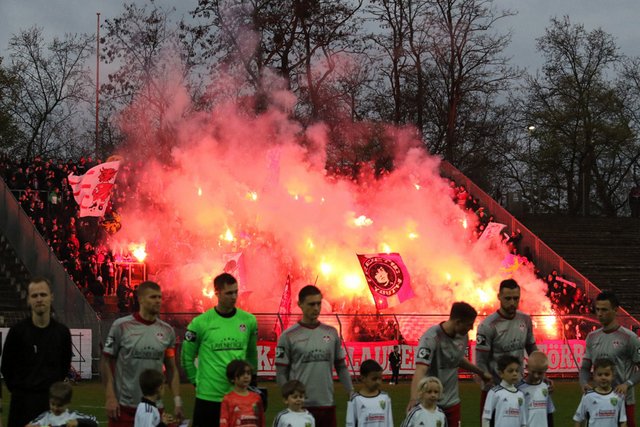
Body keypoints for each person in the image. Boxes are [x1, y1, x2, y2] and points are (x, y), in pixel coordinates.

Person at [181, 273, 258, 427]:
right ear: (217, 293)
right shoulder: (200, 323)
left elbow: (251, 354)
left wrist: (253, 381)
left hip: (237, 396)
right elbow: (186, 358)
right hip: (208, 398)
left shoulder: (249, 320)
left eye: (236, 292)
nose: (234, 296)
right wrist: (196, 382)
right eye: (229, 293)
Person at [102, 281, 182, 427]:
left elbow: (171, 368)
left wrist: (177, 400)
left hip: (154, 408)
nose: (158, 301)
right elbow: (106, 361)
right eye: (153, 297)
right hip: (123, 408)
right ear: (140, 299)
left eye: (159, 297)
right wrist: (110, 396)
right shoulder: (121, 326)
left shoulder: (167, 331)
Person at [275, 285, 353, 427]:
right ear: (300, 305)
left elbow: (341, 366)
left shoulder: (331, 333)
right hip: (300, 407)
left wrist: (351, 392)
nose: (316, 308)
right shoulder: (288, 336)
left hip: (327, 404)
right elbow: (281, 373)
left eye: (318, 303)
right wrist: (289, 399)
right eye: (311, 304)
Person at [1, 277, 72, 427]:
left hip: (50, 409)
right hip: (21, 408)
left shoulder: (62, 333)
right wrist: (21, 392)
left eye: (43, 294)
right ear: (28, 300)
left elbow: (64, 367)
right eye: (34, 296)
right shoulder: (17, 332)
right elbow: (6, 368)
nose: (39, 299)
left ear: (51, 297)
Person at [409, 301, 492, 427]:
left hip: (452, 403)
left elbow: (457, 359)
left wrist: (480, 372)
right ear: (458, 322)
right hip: (431, 403)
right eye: (469, 324)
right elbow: (421, 369)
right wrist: (414, 399)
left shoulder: (462, 336)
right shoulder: (431, 337)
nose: (471, 328)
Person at [579, 291, 640, 427]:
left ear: (615, 310)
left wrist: (627, 384)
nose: (600, 314)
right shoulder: (592, 337)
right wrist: (584, 383)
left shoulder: (630, 338)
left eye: (604, 310)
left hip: (623, 401)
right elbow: (584, 368)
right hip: (598, 399)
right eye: (597, 309)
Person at [476, 279, 537, 411]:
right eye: (507, 298)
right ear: (499, 297)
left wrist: (541, 372)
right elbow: (481, 361)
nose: (512, 303)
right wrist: (489, 385)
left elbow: (532, 348)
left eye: (516, 298)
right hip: (494, 389)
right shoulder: (487, 325)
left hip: (519, 387)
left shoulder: (525, 320)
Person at [574, 358, 628, 427]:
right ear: (594, 376)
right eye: (599, 375)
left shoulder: (619, 396)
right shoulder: (588, 396)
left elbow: (623, 421)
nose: (603, 377)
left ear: (613, 376)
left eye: (607, 374)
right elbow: (578, 419)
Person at [482, 355, 527, 427]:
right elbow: (486, 418)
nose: (515, 374)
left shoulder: (520, 395)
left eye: (517, 371)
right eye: (510, 371)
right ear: (501, 374)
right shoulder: (494, 392)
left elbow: (523, 422)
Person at [26, 382, 97, 427]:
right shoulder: (45, 416)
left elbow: (94, 422)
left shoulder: (73, 416)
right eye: (52, 404)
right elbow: (31, 425)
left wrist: (78, 422)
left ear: (68, 403)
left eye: (59, 405)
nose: (55, 408)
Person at [346, 359, 393, 427]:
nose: (378, 382)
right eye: (374, 379)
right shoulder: (355, 399)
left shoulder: (385, 397)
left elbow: (389, 422)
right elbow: (350, 424)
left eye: (380, 378)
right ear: (363, 378)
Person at [220, 360, 264, 427]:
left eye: (248, 373)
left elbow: (261, 420)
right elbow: (223, 422)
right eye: (242, 374)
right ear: (232, 378)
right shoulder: (228, 399)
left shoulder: (256, 398)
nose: (246, 376)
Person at [517, 351, 555, 427]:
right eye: (533, 371)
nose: (536, 375)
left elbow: (549, 413)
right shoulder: (519, 388)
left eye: (540, 373)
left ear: (545, 370)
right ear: (527, 367)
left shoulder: (546, 387)